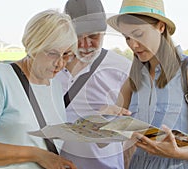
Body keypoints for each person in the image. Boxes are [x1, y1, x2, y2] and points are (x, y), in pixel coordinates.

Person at [107, 0, 188, 168]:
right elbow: (108, 142)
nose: (133, 45)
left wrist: (176, 152)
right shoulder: (133, 79)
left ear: (160, 27)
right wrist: (107, 120)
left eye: (138, 34)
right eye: (127, 38)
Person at [0, 9, 78, 169]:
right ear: (32, 46)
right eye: (52, 53)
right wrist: (37, 155)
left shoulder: (55, 86)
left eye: (66, 54)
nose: (60, 63)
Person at [53, 0, 131, 168]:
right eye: (77, 36)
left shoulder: (124, 69)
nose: (85, 44)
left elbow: (135, 131)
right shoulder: (49, 67)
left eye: (93, 36)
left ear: (104, 33)